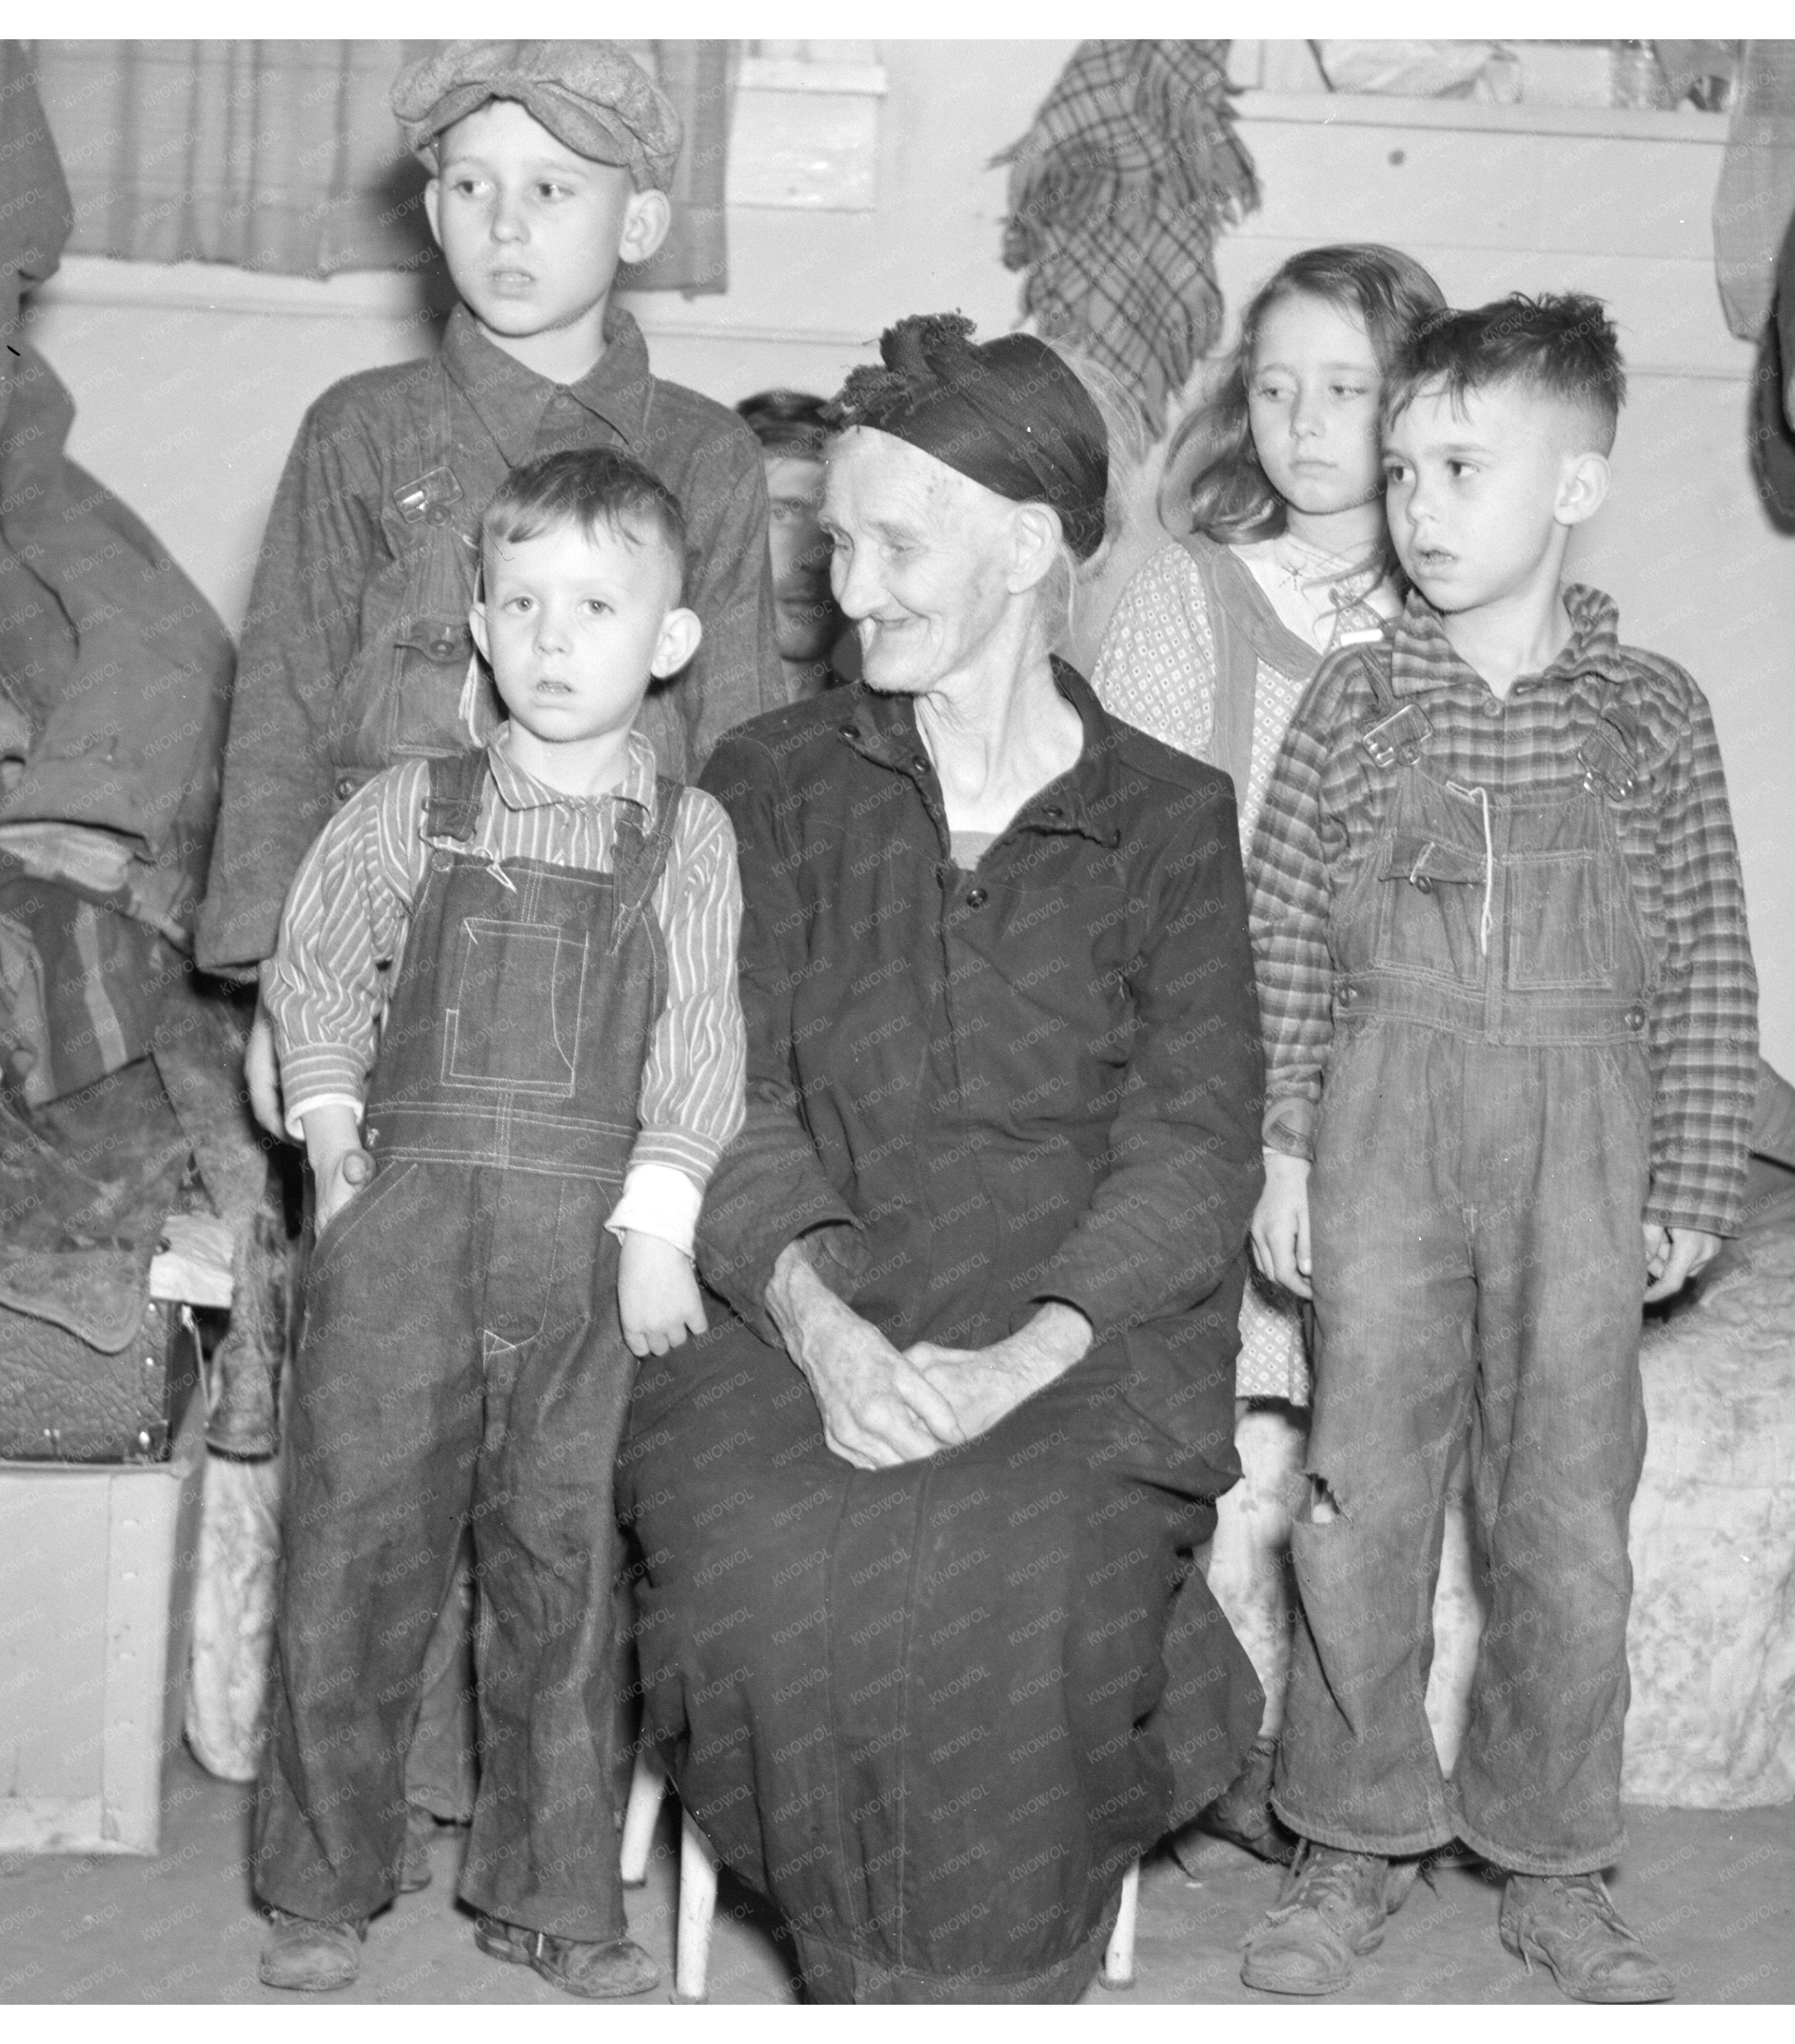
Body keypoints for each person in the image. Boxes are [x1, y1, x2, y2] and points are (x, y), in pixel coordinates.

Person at [619, 312, 1268, 2003]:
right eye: (834, 541)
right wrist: (827, 1330)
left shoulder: (1171, 822)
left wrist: (1019, 1361)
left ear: (1032, 544)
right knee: (774, 1569)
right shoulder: (765, 781)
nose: (848, 589)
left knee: (1007, 1592)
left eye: (894, 541)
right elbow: (719, 1089)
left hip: (1078, 1331)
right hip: (790, 1303)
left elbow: (1195, 1146)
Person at [196, 37, 784, 1872]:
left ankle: (533, 1836)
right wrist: (272, 1019)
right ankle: (351, 1826)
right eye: (466, 186)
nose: (504, 227)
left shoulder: (706, 461)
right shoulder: (359, 441)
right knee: (372, 1466)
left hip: (603, 1055)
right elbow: (287, 719)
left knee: (567, 1473)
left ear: (648, 216)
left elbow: (747, 760)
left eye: (554, 187)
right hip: (384, 1036)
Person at [1242, 294, 1759, 2003]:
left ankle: (1551, 1851)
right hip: (1385, 1121)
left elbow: (1705, 957)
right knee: (1354, 1499)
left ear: (1578, 483)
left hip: (1582, 1133)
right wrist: (1284, 1150)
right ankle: (1347, 1830)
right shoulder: (1350, 705)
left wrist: (1689, 1175)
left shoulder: (1651, 713)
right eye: (1399, 471)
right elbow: (1279, 951)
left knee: (1563, 1519)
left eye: (1461, 465)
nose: (1418, 505)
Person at [250, 448, 746, 1997]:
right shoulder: (416, 809)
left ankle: (553, 1899)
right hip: (402, 1240)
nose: (552, 636)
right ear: (477, 620)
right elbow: (315, 968)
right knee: (354, 1561)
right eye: (520, 600)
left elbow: (705, 1046)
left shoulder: (689, 840)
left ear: (667, 641)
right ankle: (323, 1882)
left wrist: (664, 1220)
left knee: (571, 1581)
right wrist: (331, 1134)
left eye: (595, 605)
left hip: (593, 1259)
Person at [1092, 243, 1445, 1862]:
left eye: (1350, 390)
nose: (1308, 426)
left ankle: (1350, 1771)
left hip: (1399, 1077)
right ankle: (1178, 1752)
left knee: (1371, 1457)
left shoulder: (1467, 611)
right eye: (1280, 386)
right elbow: (1130, 877)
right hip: (1216, 1063)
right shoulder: (1186, 593)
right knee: (1174, 1438)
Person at [735, 387, 853, 695]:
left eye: (836, 525)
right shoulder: (641, 731)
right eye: (782, 515)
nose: (816, 558)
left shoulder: (901, 733)